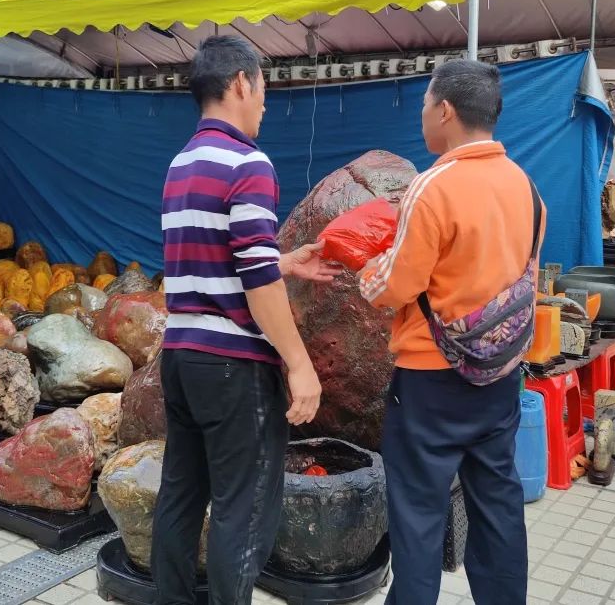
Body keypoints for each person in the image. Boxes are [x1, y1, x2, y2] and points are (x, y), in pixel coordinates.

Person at [152, 36, 340, 604]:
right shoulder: (248, 162)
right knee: (246, 508)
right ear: (240, 83)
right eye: (262, 89)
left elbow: (212, 257)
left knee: (181, 497)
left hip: (181, 357)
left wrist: (282, 261)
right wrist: (300, 366)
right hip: (233, 366)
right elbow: (256, 284)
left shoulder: (181, 163)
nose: (264, 103)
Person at [357, 59, 542, 605]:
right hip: (500, 375)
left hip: (430, 380)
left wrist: (366, 270)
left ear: (445, 110)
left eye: (423, 105)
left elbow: (396, 285)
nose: (422, 116)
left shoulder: (432, 185)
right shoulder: (526, 186)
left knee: (417, 515)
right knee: (498, 503)